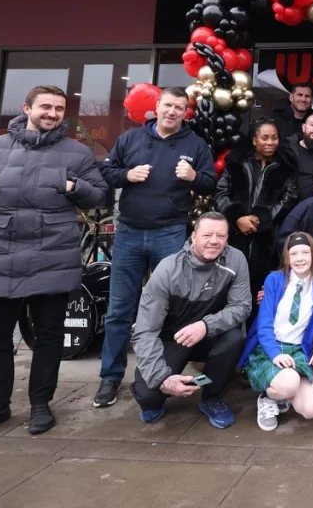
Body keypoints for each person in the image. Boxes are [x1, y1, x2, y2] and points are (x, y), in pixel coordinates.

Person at [0, 85, 109, 445]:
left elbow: (100, 195)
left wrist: (73, 186)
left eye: (59, 109)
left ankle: (40, 405)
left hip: (52, 256)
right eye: (46, 107)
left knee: (48, 338)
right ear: (27, 108)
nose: (52, 113)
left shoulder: (77, 153)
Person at [95, 87, 216, 409]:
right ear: (157, 106)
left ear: (185, 112)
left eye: (179, 107)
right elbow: (106, 172)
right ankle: (110, 376)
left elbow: (210, 182)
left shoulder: (194, 144)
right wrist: (127, 175)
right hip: (129, 233)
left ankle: (161, 375)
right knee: (120, 309)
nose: (172, 112)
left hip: (170, 233)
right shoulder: (130, 139)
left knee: (171, 308)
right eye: (168, 105)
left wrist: (193, 176)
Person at [130, 213, 251, 428]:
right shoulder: (168, 270)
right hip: (173, 338)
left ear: (227, 239)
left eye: (221, 235)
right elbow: (145, 331)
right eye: (207, 235)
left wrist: (206, 326)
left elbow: (241, 307)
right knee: (148, 396)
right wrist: (162, 379)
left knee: (234, 339)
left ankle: (211, 396)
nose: (214, 241)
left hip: (210, 335)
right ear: (193, 237)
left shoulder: (236, 260)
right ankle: (162, 391)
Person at [238, 232, 313, 431]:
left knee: (311, 410)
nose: (299, 258)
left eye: (305, 252)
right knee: (290, 382)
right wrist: (275, 354)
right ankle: (267, 397)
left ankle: (282, 390)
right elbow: (264, 324)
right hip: (268, 348)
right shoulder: (274, 280)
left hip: (296, 350)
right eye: (294, 253)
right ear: (287, 257)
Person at [214, 117, 298, 309]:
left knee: (260, 295)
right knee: (229, 290)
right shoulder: (236, 162)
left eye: (274, 137)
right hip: (234, 237)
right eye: (265, 137)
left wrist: (261, 220)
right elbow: (221, 193)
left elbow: (289, 198)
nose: (270, 142)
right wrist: (237, 218)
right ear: (254, 139)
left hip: (267, 240)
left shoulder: (286, 167)